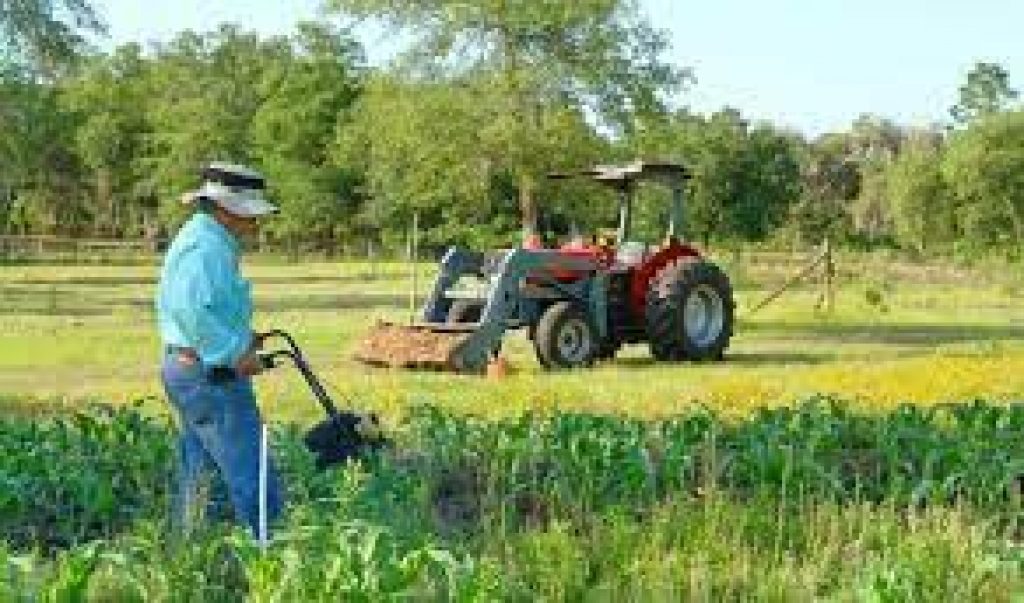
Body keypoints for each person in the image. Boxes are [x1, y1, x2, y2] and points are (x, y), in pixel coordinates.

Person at [155, 162, 283, 539]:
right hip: (209, 374)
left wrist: (244, 336)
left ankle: (193, 555)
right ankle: (273, 557)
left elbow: (209, 306)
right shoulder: (205, 246)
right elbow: (190, 307)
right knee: (252, 471)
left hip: (190, 368)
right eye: (250, 215)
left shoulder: (206, 239)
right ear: (226, 209)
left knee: (201, 473)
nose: (255, 224)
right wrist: (233, 351)